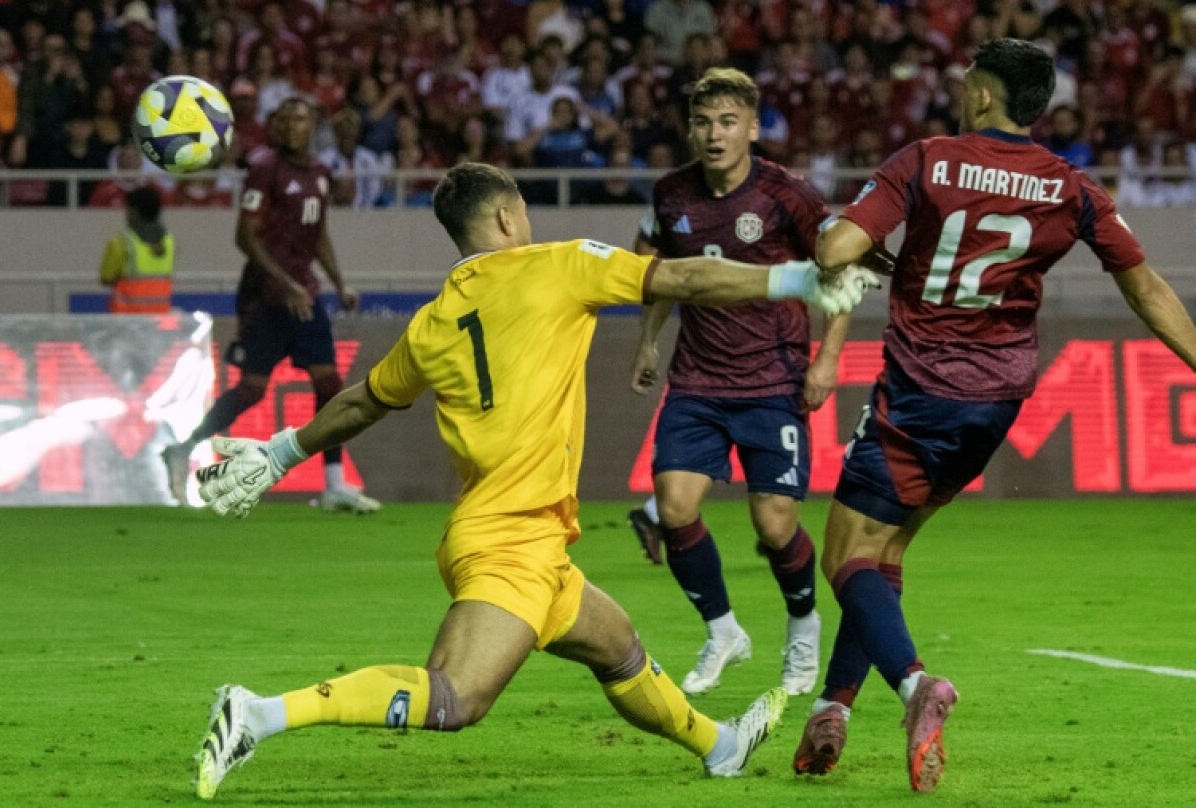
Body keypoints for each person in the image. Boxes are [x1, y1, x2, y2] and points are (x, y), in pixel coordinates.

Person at [189, 162, 879, 800]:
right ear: (507, 216)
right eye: (522, 210)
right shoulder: (560, 265)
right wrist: (798, 282)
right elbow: (686, 278)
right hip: (509, 540)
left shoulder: (433, 322)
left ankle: (719, 745)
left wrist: (281, 452)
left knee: (618, 648)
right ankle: (259, 713)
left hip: (524, 535)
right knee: (456, 697)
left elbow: (362, 402)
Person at [791, 39, 1196, 793]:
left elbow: (836, 249)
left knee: (845, 553)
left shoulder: (927, 160)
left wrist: (846, 241)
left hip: (919, 387)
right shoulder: (1071, 187)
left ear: (983, 94)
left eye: (966, 81)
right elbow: (1145, 287)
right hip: (997, 401)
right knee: (887, 551)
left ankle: (917, 687)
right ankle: (832, 709)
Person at [626, 68, 855, 699]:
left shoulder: (788, 195)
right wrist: (648, 340)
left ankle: (803, 626)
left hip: (773, 378)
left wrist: (828, 359)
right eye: (703, 123)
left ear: (752, 128)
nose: (715, 134)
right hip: (697, 380)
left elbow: (839, 273)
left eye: (728, 122)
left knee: (774, 525)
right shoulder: (671, 193)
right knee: (673, 505)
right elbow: (664, 276)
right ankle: (723, 631)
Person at [161, 98, 379, 514]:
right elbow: (244, 237)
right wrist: (286, 283)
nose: (292, 126)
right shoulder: (264, 169)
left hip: (303, 296)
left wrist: (339, 283)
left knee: (329, 384)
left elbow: (318, 233)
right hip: (264, 296)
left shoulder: (320, 173)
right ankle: (184, 448)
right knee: (253, 390)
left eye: (300, 119)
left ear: (312, 126)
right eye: (285, 120)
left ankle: (334, 485)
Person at [99, 186, 174, 313]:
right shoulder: (169, 242)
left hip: (127, 318)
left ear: (134, 212)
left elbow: (106, 277)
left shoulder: (121, 242)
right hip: (159, 316)